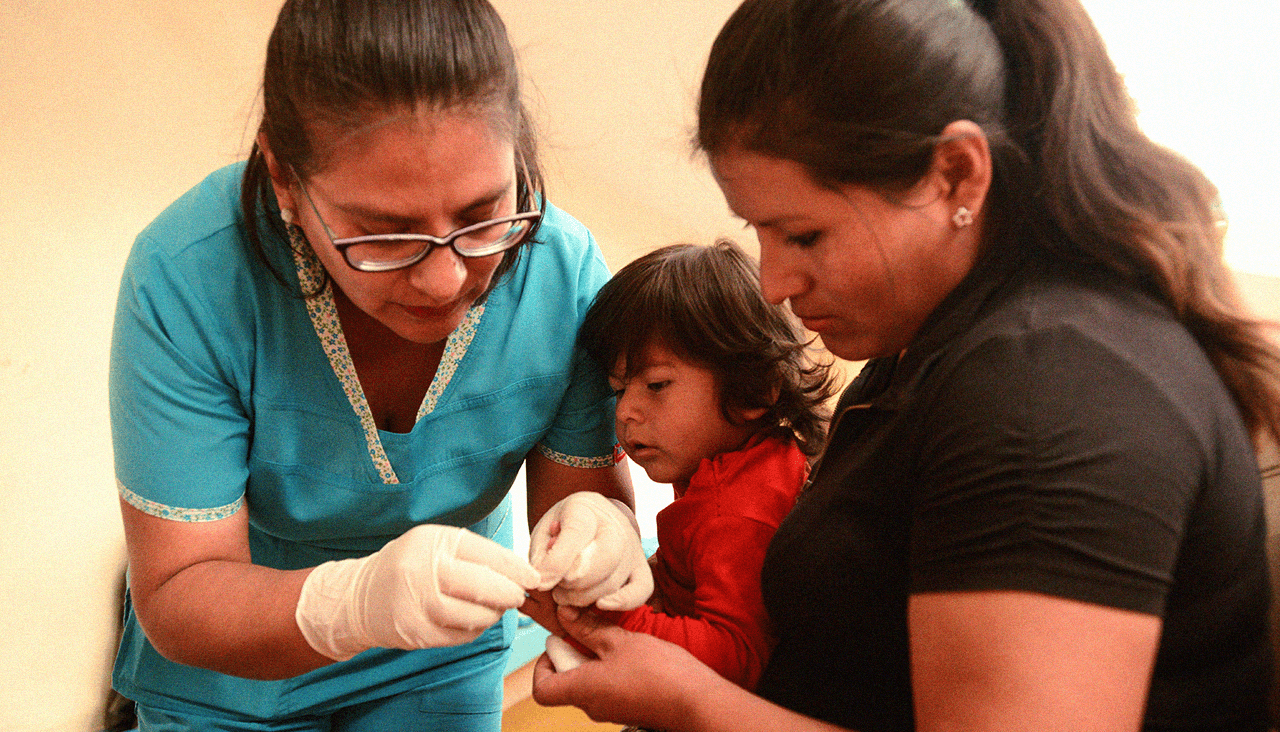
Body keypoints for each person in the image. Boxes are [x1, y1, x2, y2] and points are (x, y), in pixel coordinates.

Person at [531, 0, 1280, 730]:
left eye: (805, 236)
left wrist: (692, 702)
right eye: (761, 233)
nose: (773, 284)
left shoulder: (1049, 390)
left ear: (955, 176)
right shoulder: (935, 350)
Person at [108, 1, 649, 729]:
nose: (445, 281)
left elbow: (578, 505)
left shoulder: (563, 273)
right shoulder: (187, 278)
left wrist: (600, 531)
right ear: (284, 180)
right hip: (227, 661)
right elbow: (181, 590)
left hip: (443, 653)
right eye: (383, 236)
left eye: (483, 213)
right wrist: (354, 603)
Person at [543, 241, 834, 691]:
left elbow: (737, 656)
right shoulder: (746, 465)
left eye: (656, 385)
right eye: (619, 390)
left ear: (754, 388)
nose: (625, 412)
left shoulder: (734, 507)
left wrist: (610, 617)